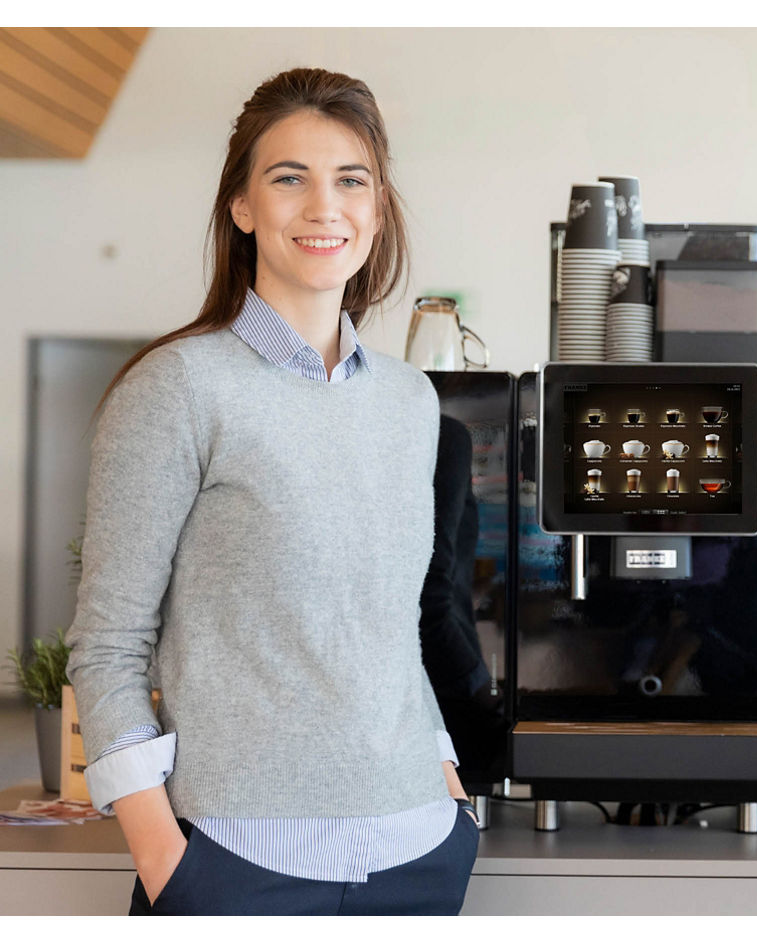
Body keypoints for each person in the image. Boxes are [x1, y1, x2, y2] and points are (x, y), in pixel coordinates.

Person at [65, 68, 479, 916]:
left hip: (419, 852)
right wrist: (166, 858)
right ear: (242, 207)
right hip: (235, 863)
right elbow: (107, 645)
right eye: (289, 177)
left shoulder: (411, 402)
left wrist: (444, 780)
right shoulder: (177, 387)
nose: (324, 207)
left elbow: (395, 624)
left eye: (350, 180)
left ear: (378, 207)